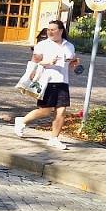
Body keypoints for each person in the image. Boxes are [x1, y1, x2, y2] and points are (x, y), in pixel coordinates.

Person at [14, 20, 78, 150]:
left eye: (53, 30)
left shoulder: (69, 46)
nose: (50, 32)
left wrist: (74, 63)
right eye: (48, 29)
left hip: (63, 81)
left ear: (60, 31)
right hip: (46, 80)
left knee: (61, 110)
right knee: (45, 111)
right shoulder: (42, 45)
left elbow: (71, 61)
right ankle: (22, 121)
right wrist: (47, 63)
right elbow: (35, 62)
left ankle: (54, 138)